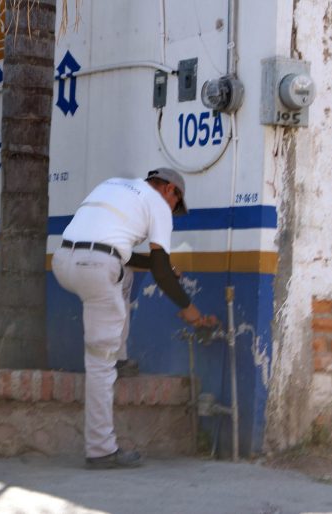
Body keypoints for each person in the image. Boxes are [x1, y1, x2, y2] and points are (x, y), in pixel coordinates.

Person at [52, 168, 216, 470]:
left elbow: (117, 252)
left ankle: (121, 357)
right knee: (99, 364)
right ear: (169, 190)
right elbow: (161, 272)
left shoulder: (111, 183)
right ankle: (101, 449)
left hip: (63, 261)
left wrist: (161, 269)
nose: (173, 211)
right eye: (176, 205)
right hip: (97, 268)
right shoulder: (158, 205)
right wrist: (191, 313)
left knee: (123, 274)